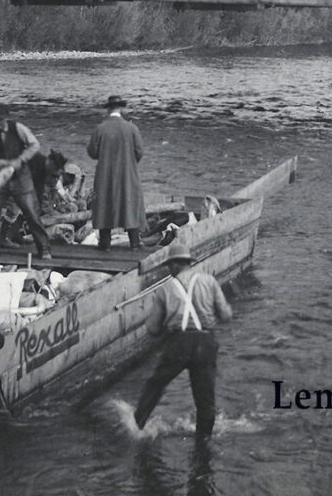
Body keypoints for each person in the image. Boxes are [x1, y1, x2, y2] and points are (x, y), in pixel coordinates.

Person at [133, 242, 232, 439]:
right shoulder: (209, 281)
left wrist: (164, 324)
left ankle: (136, 429)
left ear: (175, 265)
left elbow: (152, 329)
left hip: (179, 342)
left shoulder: (166, 288)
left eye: (169, 266)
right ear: (188, 263)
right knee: (205, 399)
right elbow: (225, 315)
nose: (169, 270)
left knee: (155, 384)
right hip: (205, 342)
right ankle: (204, 442)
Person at [0, 103, 52, 259]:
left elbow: (34, 145)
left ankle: (44, 249)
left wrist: (21, 159)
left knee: (32, 213)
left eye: (0, 119)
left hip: (21, 179)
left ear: (6, 118)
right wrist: (6, 164)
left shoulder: (18, 128)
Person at [87, 95, 146, 251]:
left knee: (103, 203)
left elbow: (92, 152)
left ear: (108, 109)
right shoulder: (132, 128)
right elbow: (140, 151)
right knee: (130, 203)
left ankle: (105, 244)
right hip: (127, 173)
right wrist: (130, 163)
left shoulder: (100, 128)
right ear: (121, 109)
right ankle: (135, 243)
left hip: (104, 174)